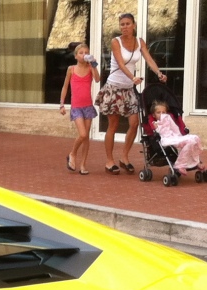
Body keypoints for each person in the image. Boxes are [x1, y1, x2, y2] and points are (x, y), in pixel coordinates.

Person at [97, 12, 166, 174]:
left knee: (134, 123)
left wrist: (159, 73)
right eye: (122, 24)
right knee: (113, 125)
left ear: (134, 25)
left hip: (129, 89)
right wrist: (132, 77)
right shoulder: (116, 42)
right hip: (114, 87)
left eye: (128, 24)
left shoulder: (139, 42)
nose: (125, 27)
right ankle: (109, 161)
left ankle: (124, 157)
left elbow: (149, 59)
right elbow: (121, 64)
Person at [58, 42, 100, 174]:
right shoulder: (71, 69)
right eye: (81, 53)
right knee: (82, 134)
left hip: (88, 106)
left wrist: (94, 64)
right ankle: (72, 153)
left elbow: (98, 79)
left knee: (86, 137)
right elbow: (65, 87)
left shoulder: (90, 68)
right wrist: (62, 104)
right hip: (76, 107)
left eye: (86, 53)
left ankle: (83, 165)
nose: (84, 55)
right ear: (76, 56)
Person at [149, 100, 203, 173]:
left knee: (194, 139)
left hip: (175, 137)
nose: (161, 114)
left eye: (163, 112)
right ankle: (180, 165)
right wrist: (158, 126)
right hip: (167, 139)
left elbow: (175, 128)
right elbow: (161, 133)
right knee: (190, 141)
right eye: (158, 112)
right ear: (154, 115)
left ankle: (195, 162)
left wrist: (180, 136)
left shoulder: (168, 119)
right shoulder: (155, 123)